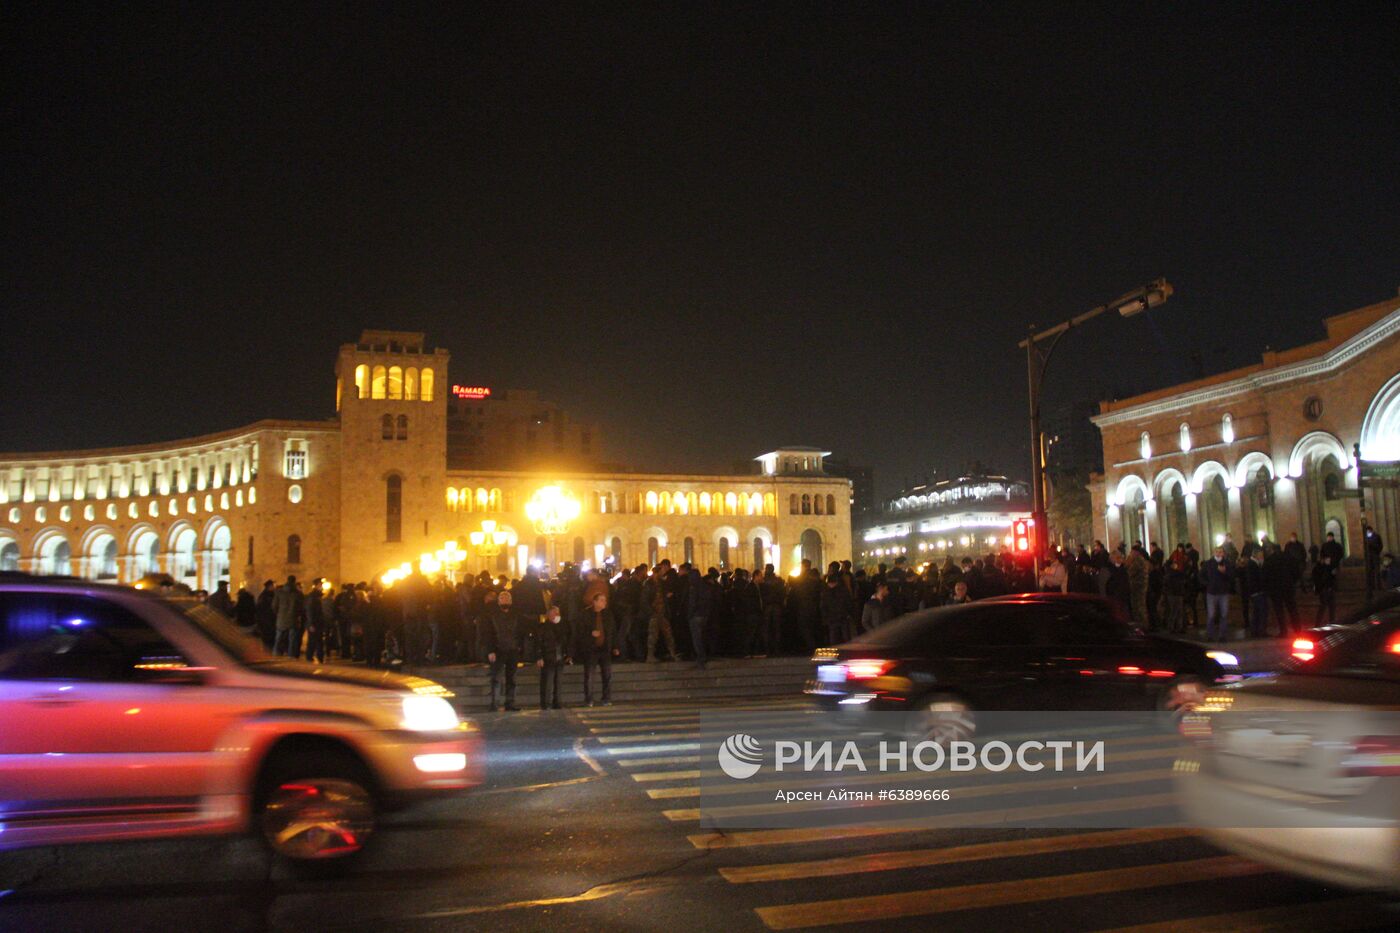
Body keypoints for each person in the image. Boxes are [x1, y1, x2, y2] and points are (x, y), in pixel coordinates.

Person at [483, 590, 524, 711]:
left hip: (512, 650)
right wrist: (490, 650)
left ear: (511, 601)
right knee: (496, 678)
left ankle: (510, 703)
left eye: (507, 598)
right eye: (502, 598)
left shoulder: (516, 615)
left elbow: (520, 632)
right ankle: (495, 703)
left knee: (512, 679)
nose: (505, 600)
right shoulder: (492, 615)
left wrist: (519, 646)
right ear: (498, 601)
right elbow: (488, 634)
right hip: (498, 650)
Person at [576, 592, 617, 706]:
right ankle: (589, 699)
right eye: (602, 600)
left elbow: (612, 631)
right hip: (591, 649)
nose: (604, 602)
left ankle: (606, 698)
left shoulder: (608, 614)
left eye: (605, 600)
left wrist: (615, 646)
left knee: (607, 674)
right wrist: (590, 634)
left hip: (605, 649)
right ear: (595, 602)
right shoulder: (586, 614)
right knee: (589, 675)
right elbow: (579, 631)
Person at [643, 563, 678, 663]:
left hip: (662, 613)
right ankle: (650, 656)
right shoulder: (649, 584)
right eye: (661, 572)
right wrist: (650, 612)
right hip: (654, 613)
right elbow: (644, 600)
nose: (663, 573)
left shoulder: (662, 583)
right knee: (653, 635)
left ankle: (672, 653)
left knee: (668, 634)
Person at [1262, 544, 1300, 636]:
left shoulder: (1269, 560)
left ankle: (1283, 631)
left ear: (1272, 550)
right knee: (1292, 609)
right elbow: (1296, 571)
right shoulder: (1289, 558)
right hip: (1288, 587)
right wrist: (1292, 581)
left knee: (1279, 611)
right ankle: (1297, 629)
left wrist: (1268, 587)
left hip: (1276, 589)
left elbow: (1265, 575)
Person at [536, 606, 568, 710]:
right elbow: (538, 643)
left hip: (559, 657)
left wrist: (568, 655)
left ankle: (557, 702)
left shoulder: (562, 626)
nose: (557, 615)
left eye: (558, 613)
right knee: (547, 682)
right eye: (554, 613)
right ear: (549, 615)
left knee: (558, 681)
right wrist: (539, 657)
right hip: (548, 657)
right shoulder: (543, 627)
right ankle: (546, 703)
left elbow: (565, 641)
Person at [1200, 546, 1235, 643]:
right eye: (1217, 552)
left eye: (1220, 552)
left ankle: (1222, 636)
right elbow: (1201, 575)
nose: (1219, 553)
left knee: (1224, 614)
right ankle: (1210, 635)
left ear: (1223, 553)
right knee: (1211, 615)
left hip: (1223, 592)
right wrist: (1207, 584)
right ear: (1214, 553)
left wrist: (1224, 572)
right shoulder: (1208, 564)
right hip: (1211, 593)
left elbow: (1232, 577)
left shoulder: (1227, 563)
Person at [819, 572, 856, 645]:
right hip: (843, 616)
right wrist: (850, 614)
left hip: (832, 618)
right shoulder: (843, 590)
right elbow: (849, 603)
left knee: (834, 637)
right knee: (846, 637)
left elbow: (823, 606)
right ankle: (847, 652)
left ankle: (836, 652)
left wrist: (825, 617)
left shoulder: (825, 592)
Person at [757, 564, 786, 656]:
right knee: (776, 628)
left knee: (766, 628)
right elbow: (783, 593)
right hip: (777, 606)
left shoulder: (763, 581)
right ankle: (777, 649)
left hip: (767, 606)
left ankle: (767, 649)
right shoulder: (779, 580)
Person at [272, 575, 302, 657]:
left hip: (281, 618)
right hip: (293, 619)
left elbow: (274, 606)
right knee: (292, 640)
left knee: (278, 638)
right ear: (294, 581)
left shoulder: (279, 592)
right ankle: (291, 656)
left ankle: (276, 654)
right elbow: (300, 607)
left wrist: (279, 614)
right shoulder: (297, 594)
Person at [1242, 549, 1268, 639]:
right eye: (1261, 554)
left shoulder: (1253, 564)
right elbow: (1254, 579)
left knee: (1256, 612)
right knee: (1261, 612)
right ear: (1256, 555)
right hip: (1257, 592)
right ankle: (1261, 631)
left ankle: (1255, 631)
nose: (1262, 556)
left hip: (1255, 592)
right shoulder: (1252, 565)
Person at [304, 579, 327, 663]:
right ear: (316, 585)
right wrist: (311, 624)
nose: (322, 587)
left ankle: (318, 656)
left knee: (318, 640)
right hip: (315, 623)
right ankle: (310, 656)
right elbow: (310, 611)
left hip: (318, 622)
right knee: (313, 641)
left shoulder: (317, 596)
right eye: (321, 585)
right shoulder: (313, 597)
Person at [255, 579, 277, 649]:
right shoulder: (264, 596)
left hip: (270, 620)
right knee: (268, 638)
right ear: (269, 586)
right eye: (273, 586)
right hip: (266, 621)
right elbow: (260, 609)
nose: (274, 587)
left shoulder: (270, 595)